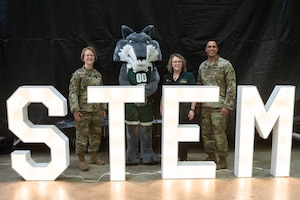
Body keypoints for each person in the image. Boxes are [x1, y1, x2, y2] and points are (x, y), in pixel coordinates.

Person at [197, 40, 236, 169]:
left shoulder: (225, 65)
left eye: (214, 46)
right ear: (206, 49)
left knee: (219, 133)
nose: (211, 49)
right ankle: (211, 155)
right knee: (206, 133)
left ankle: (223, 159)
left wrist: (227, 105)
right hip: (205, 106)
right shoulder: (202, 66)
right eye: (209, 47)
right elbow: (199, 85)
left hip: (219, 106)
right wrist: (197, 104)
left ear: (217, 49)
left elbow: (231, 86)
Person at [68, 46, 107, 171]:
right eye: (87, 55)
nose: (89, 57)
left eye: (91, 55)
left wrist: (103, 108)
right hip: (83, 110)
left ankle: (94, 157)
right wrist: (75, 109)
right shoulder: (78, 74)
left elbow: (102, 92)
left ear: (94, 58)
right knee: (82, 136)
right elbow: (73, 92)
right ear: (83, 58)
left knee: (96, 135)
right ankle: (81, 160)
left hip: (96, 110)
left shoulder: (97, 75)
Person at [160, 53, 197, 161]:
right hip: (170, 111)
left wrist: (192, 109)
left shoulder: (189, 76)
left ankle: (183, 158)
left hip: (184, 110)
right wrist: (161, 108)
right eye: (175, 62)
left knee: (183, 135)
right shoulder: (167, 77)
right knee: (170, 134)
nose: (177, 64)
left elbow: (194, 93)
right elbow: (163, 95)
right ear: (171, 64)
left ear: (182, 64)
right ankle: (171, 158)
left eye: (179, 62)